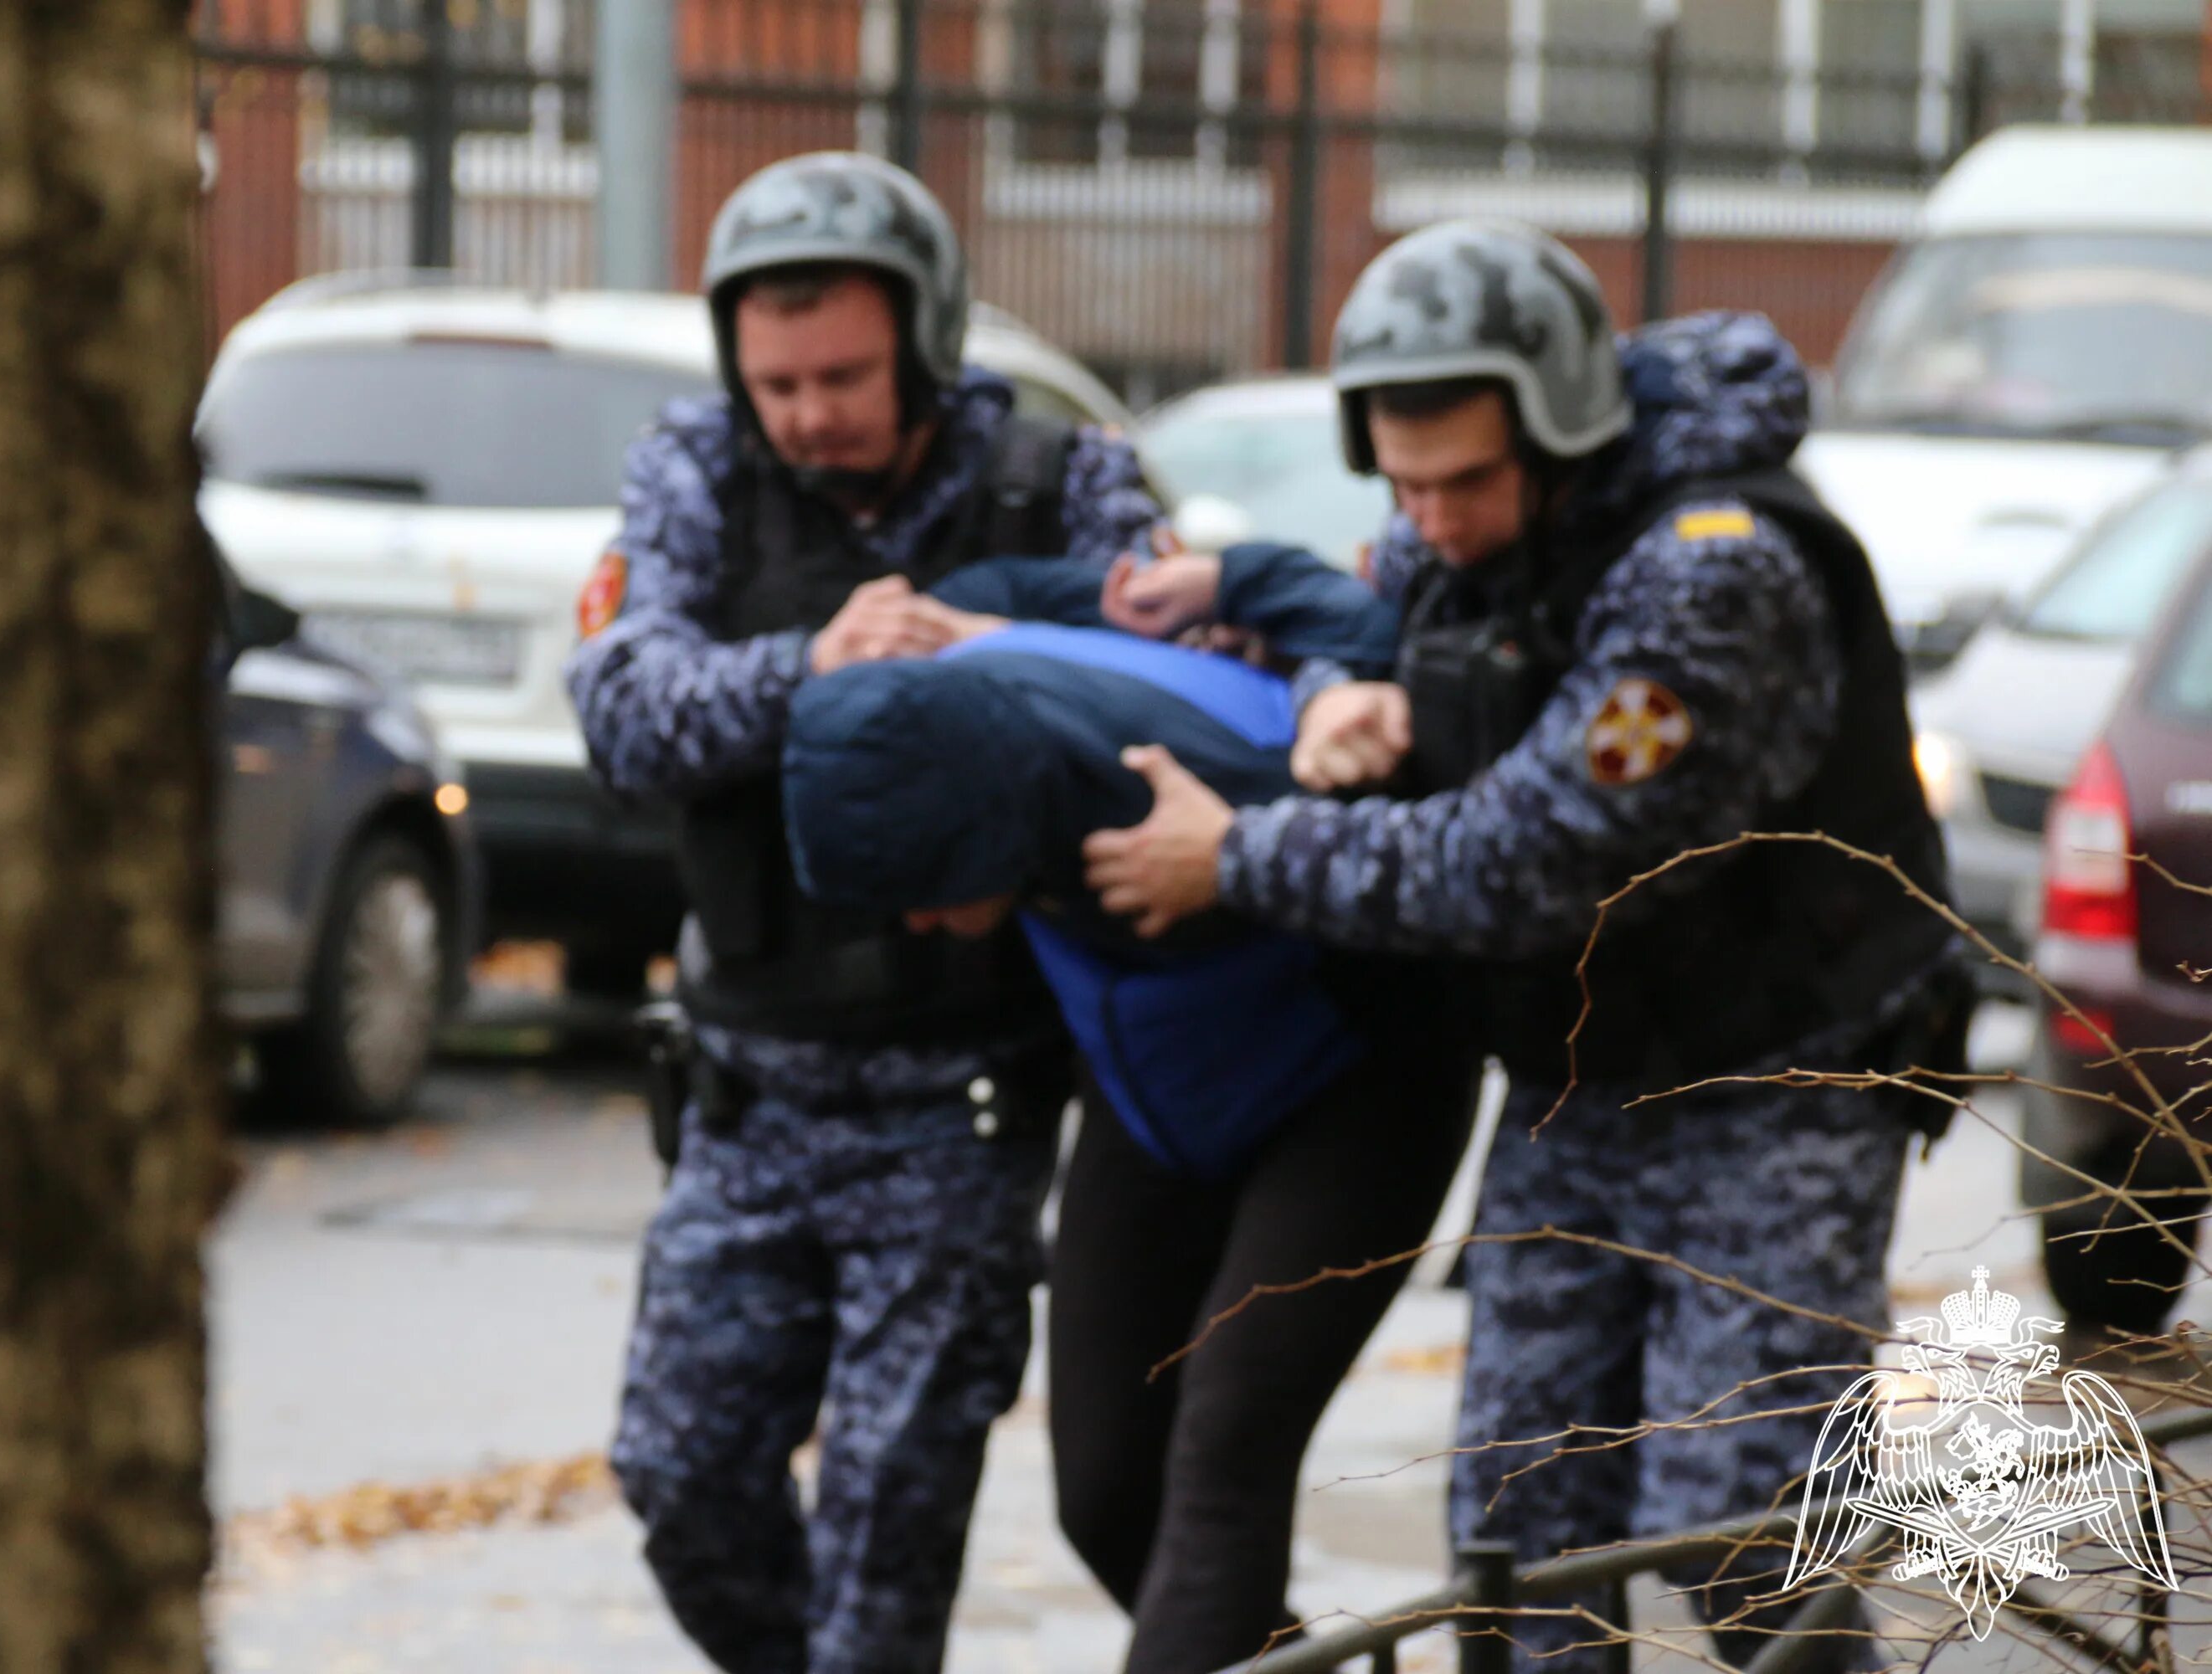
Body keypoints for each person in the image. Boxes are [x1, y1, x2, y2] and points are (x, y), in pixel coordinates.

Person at [1079, 219, 1970, 1667]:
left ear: (1561, 432)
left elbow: (1520, 862)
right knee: (1521, 1530)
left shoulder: (1715, 574)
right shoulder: (1480, 536)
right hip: (1582, 1081)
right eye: (1406, 483)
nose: (1431, 518)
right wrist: (1306, 658)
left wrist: (1233, 855)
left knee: (1744, 1535)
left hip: (1776, 1085)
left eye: (1466, 481)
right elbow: (1398, 626)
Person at [564, 151, 1162, 1674]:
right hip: (749, 1092)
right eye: (778, 381)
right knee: (684, 1479)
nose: (810, 413)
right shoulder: (700, 470)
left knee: (888, 1541)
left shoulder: (1060, 476)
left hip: (956, 1098)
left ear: (925, 339)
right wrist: (812, 668)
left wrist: (978, 668)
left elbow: (1172, 698)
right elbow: (624, 710)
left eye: (842, 374)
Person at [777, 578, 1479, 1674]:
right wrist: (991, 618)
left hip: (1355, 1090)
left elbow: (1368, 649)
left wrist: (1244, 847)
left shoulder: (1173, 769)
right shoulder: (948, 703)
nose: (916, 922)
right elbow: (1057, 585)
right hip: (1160, 1101)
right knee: (1107, 1492)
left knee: (1224, 1452)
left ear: (986, 819)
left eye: (927, 889)